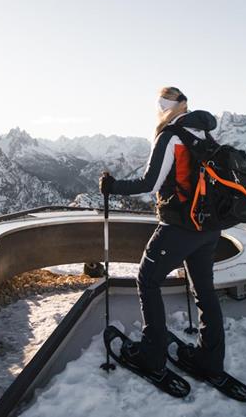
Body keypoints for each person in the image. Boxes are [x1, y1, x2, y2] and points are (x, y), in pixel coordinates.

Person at [99, 86, 224, 379]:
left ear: (165, 107)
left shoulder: (171, 136)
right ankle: (210, 360)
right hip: (209, 227)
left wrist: (112, 186)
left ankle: (151, 356)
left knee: (148, 280)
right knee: (205, 292)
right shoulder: (205, 134)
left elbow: (150, 183)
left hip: (179, 226)